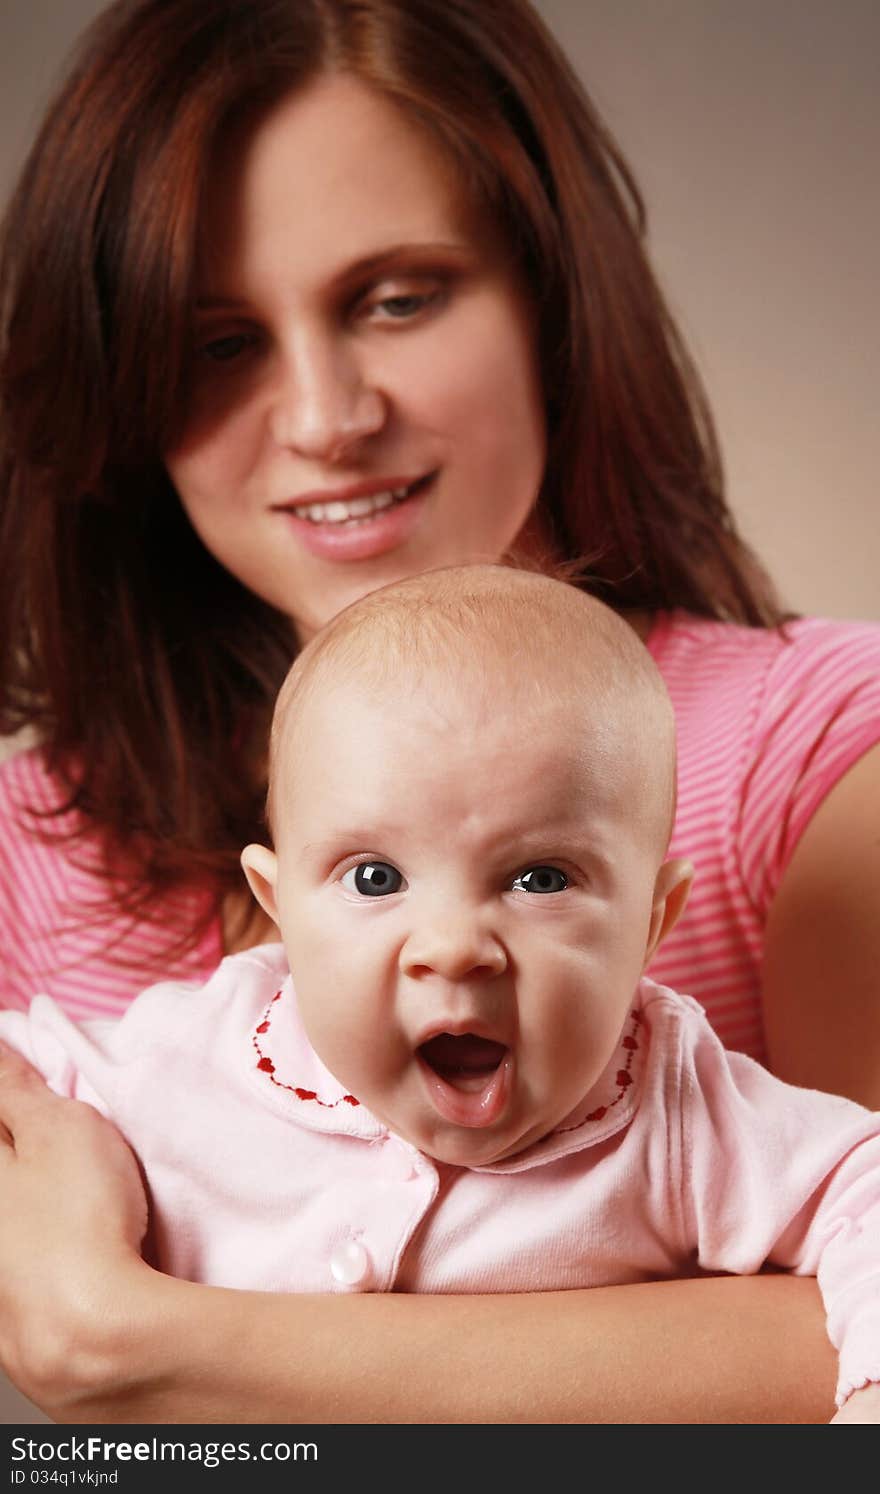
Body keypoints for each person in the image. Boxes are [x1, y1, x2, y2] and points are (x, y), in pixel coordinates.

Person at [0, 0, 878, 1424]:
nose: (327, 414)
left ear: (551, 294)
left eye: (396, 297)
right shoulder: (33, 853)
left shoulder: (820, 754)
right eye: (216, 341)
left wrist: (145, 1341)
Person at [2, 564, 880, 1426]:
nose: (456, 949)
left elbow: (865, 1193)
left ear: (652, 923)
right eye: (376, 877)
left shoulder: (677, 1111)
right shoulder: (189, 1060)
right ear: (280, 912)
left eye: (540, 878)